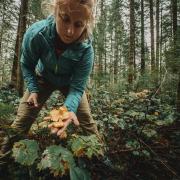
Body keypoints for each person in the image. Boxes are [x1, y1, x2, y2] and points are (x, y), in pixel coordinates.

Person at [0, 0, 102, 169]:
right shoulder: (36, 34)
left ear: (87, 23)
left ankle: (99, 155)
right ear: (55, 11)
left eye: (78, 25)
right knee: (22, 119)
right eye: (65, 19)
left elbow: (77, 88)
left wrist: (69, 109)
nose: (70, 31)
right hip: (43, 78)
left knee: (86, 120)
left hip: (70, 84)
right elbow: (26, 64)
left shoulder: (86, 50)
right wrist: (32, 89)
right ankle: (3, 160)